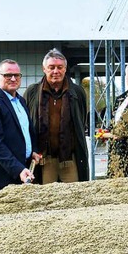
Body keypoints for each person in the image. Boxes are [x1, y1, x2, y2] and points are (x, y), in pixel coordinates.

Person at [24, 48, 89, 184]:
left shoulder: (77, 92)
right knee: (45, 198)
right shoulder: (32, 92)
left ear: (65, 69)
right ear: (44, 69)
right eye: (51, 67)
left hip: (69, 159)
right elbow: (27, 123)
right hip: (43, 158)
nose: (56, 71)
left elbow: (81, 121)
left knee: (74, 196)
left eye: (60, 67)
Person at [0, 59, 41, 195]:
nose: (13, 79)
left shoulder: (21, 101)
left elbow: (27, 132)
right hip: (2, 178)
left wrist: (33, 151)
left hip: (23, 174)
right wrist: (18, 169)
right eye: (8, 75)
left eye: (17, 75)